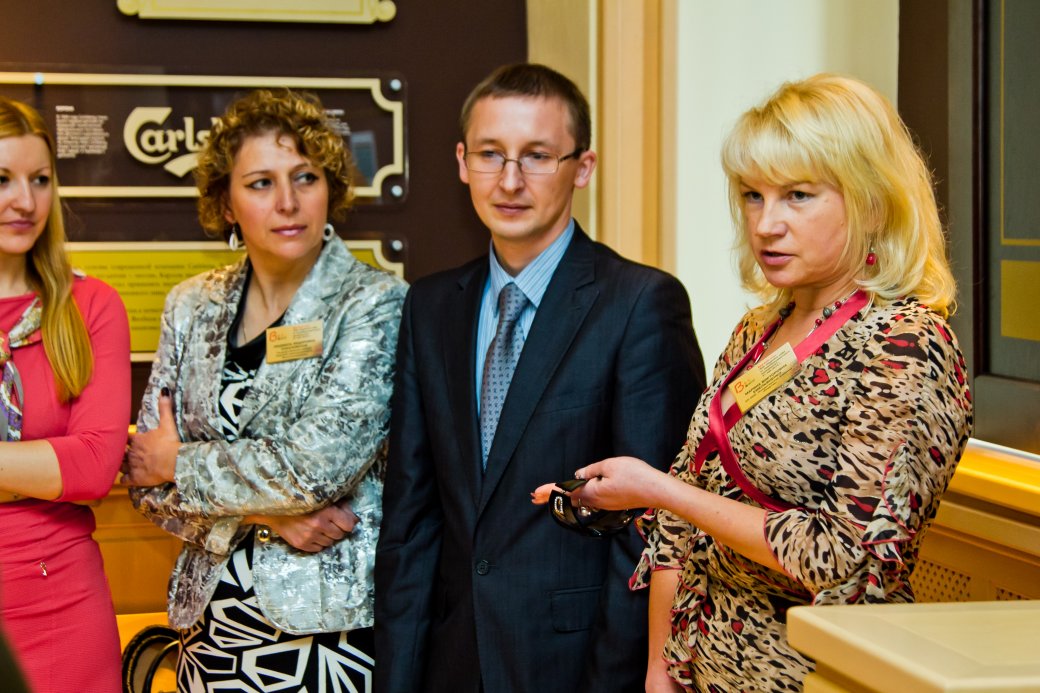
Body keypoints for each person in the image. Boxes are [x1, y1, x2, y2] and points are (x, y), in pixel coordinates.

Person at [547, 73, 975, 692]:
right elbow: (688, 505)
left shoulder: (904, 345)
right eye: (753, 195)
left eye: (798, 195)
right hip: (702, 665)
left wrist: (660, 490)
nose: (766, 224)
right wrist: (661, 668)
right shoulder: (761, 328)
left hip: (816, 675)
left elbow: (843, 558)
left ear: (872, 201)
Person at [375, 63, 706, 692]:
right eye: (490, 154)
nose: (509, 180)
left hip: (574, 664)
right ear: (461, 162)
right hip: (451, 660)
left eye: (537, 156)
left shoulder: (639, 303)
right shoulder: (432, 306)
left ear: (582, 167)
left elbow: (654, 527)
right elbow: (412, 519)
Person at [123, 89, 406, 690]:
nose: (287, 202)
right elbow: (145, 482)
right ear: (226, 203)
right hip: (209, 638)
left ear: (330, 188)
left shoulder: (375, 303)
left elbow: (313, 470)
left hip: (326, 641)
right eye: (260, 184)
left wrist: (179, 462)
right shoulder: (190, 305)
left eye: (305, 177)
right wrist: (262, 514)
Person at [0, 97, 130, 691]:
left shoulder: (90, 306)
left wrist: (66, 466)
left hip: (62, 605)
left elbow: (96, 463)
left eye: (40, 180)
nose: (25, 202)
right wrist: (41, 467)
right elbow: (65, 461)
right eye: (2, 179)